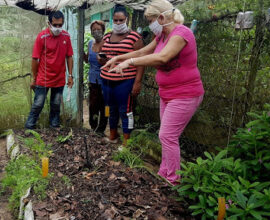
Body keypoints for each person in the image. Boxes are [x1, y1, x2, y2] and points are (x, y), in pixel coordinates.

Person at [103, 0, 205, 185]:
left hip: (186, 94)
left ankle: (173, 180)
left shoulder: (182, 33)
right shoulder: (162, 36)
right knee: (166, 136)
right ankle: (164, 172)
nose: (151, 25)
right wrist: (119, 58)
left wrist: (129, 63)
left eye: (151, 21)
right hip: (167, 94)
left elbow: (163, 57)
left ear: (161, 17)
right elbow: (142, 52)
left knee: (167, 136)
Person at [98, 5, 145, 146]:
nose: (118, 23)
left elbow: (141, 61)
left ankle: (126, 141)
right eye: (115, 20)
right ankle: (113, 135)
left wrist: (137, 82)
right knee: (109, 108)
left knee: (126, 111)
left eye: (121, 20)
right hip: (106, 81)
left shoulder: (135, 38)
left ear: (127, 19)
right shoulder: (107, 36)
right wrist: (101, 59)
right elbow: (102, 56)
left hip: (125, 82)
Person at [25, 11, 74, 129]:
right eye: (55, 25)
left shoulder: (66, 36)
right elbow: (35, 59)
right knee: (38, 104)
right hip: (43, 77)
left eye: (60, 25)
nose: (58, 28)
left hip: (59, 78)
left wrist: (70, 75)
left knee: (56, 104)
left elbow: (69, 56)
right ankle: (29, 128)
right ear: (49, 23)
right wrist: (34, 78)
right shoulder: (42, 36)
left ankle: (54, 126)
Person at [84, 20, 108, 134]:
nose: (96, 32)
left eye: (98, 30)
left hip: (106, 79)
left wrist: (104, 61)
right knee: (93, 105)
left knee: (106, 106)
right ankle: (93, 126)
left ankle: (102, 128)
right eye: (94, 30)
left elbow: (112, 60)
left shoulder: (107, 43)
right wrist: (82, 55)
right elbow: (88, 60)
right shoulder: (90, 43)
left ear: (103, 30)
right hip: (93, 80)